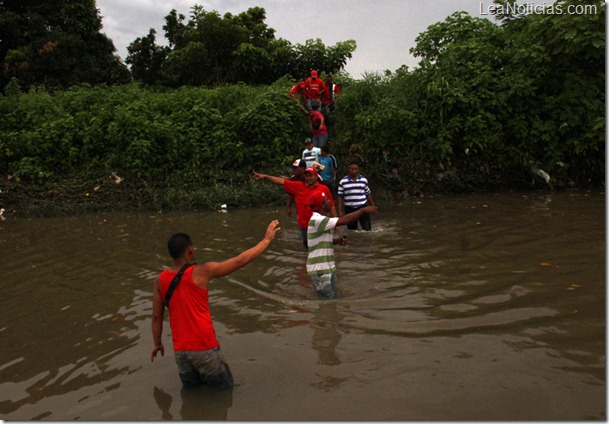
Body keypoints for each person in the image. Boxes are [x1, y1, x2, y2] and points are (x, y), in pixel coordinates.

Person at [151, 221, 281, 388]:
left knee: (193, 395)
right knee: (223, 393)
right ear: (190, 250)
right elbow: (240, 261)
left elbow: (156, 317)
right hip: (204, 348)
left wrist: (157, 343)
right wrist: (266, 240)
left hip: (181, 352)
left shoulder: (159, 280)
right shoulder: (202, 271)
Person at [307, 190, 378, 299]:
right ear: (321, 205)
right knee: (327, 302)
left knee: (333, 299)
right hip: (320, 269)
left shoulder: (322, 220)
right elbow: (344, 220)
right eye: (326, 199)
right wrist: (363, 210)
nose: (329, 201)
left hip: (328, 267)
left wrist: (337, 241)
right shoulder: (318, 220)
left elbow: (320, 241)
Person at [253, 167, 336, 248]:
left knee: (321, 246)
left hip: (319, 224)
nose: (308, 178)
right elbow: (281, 181)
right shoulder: (298, 186)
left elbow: (331, 205)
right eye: (306, 176)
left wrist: (335, 222)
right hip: (304, 224)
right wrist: (266, 176)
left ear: (316, 177)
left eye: (310, 176)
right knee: (307, 246)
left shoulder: (324, 189)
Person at [337, 161, 376, 231]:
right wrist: (340, 211)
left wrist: (372, 206)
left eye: (356, 169)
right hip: (350, 208)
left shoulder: (363, 180)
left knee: (367, 230)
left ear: (358, 170)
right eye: (352, 169)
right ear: (348, 169)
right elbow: (340, 196)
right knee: (352, 230)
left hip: (363, 207)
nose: (354, 171)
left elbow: (368, 193)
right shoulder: (343, 181)